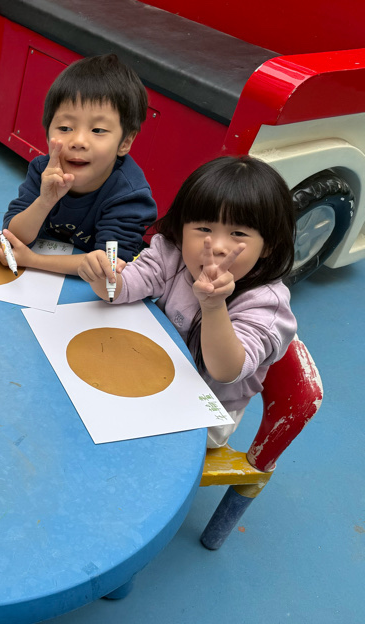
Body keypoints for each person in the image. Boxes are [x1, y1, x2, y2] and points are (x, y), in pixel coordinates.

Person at [78, 155, 297, 448]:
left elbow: (226, 371)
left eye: (238, 233)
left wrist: (214, 306)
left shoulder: (266, 304)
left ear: (268, 245)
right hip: (154, 370)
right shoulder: (173, 254)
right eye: (204, 229)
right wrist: (104, 279)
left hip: (209, 411)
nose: (217, 246)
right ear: (182, 228)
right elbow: (124, 287)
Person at [0, 54, 157, 275]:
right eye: (65, 128)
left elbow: (108, 265)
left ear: (125, 142)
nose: (78, 141)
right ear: (47, 133)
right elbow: (14, 237)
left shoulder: (129, 196)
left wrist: (33, 260)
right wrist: (44, 201)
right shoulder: (43, 170)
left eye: (98, 130)